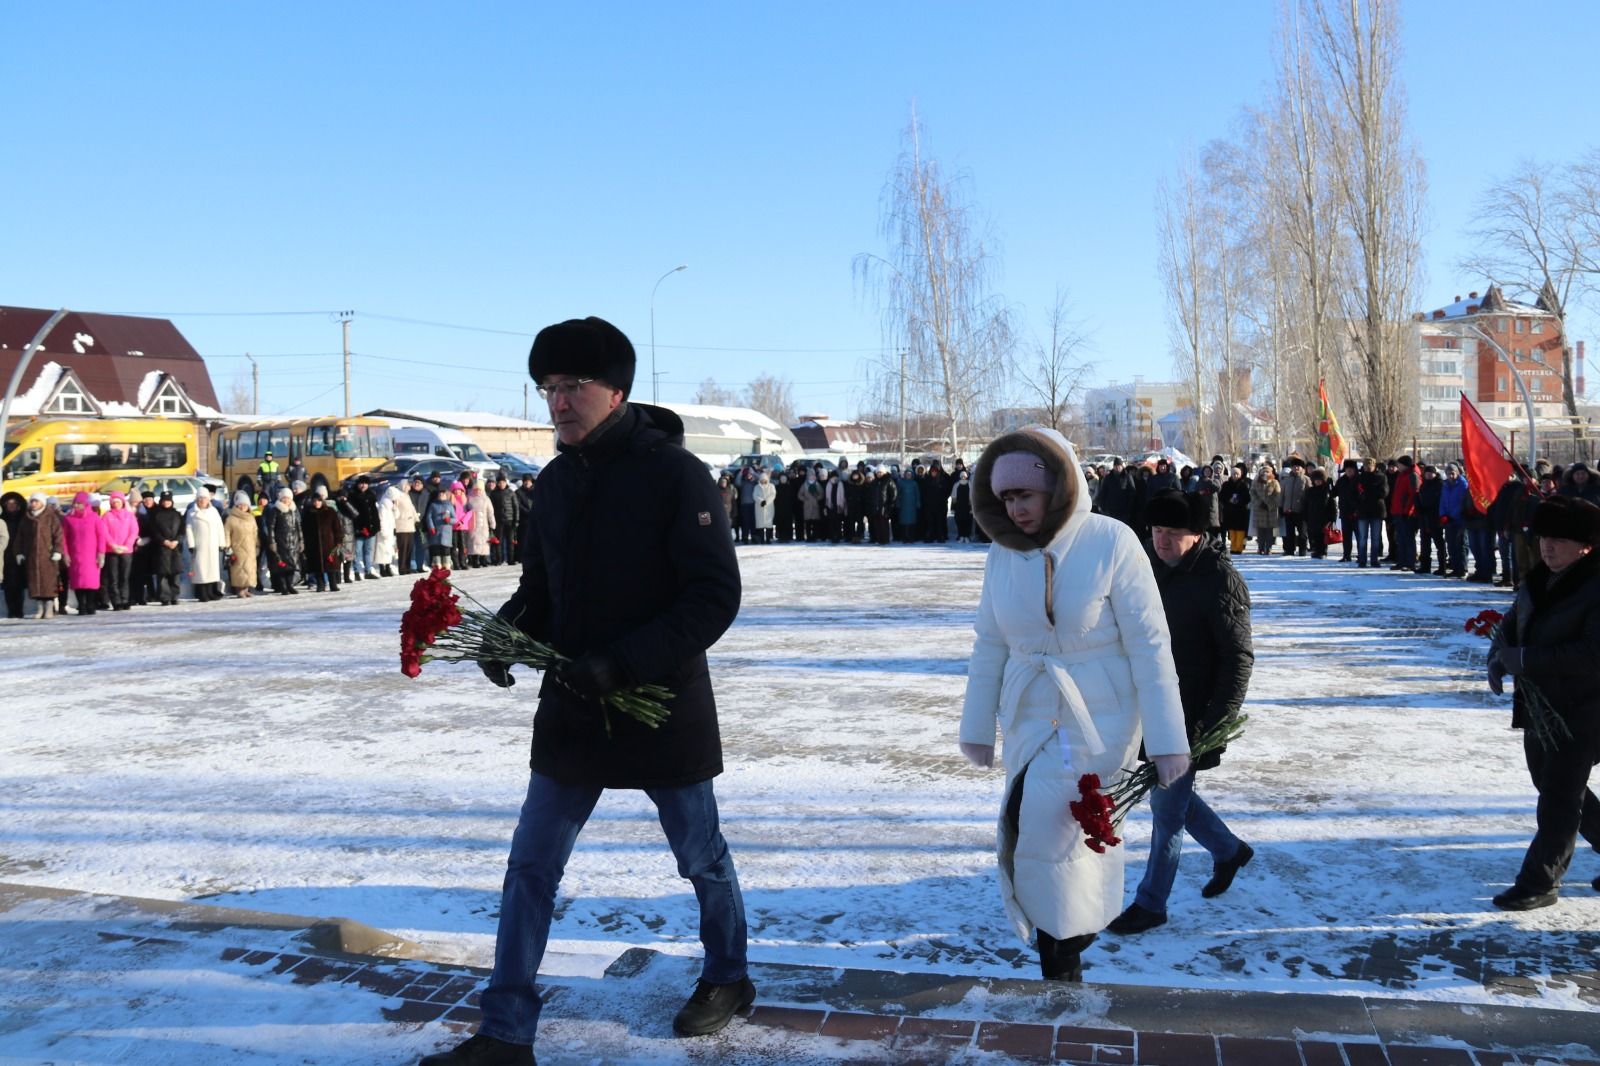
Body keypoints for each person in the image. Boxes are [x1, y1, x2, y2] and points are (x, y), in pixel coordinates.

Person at [424, 317, 749, 1066]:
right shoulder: (556, 481)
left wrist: (625, 664)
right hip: (572, 704)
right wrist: (507, 632)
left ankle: (728, 976)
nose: (558, 402)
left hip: (660, 703)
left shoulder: (676, 474)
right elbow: (542, 586)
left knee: (701, 857)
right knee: (531, 865)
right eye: (548, 388)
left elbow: (712, 596)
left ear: (617, 391)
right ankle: (506, 1031)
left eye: (573, 386)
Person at [958, 429, 1189, 983]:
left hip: (1098, 717)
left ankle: (1060, 955)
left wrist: (1167, 739)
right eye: (1006, 499)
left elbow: (1150, 643)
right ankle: (1068, 935)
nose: (1016, 510)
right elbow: (990, 642)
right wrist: (977, 725)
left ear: (1057, 488)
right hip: (1028, 715)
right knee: (1044, 830)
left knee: (1054, 828)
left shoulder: (1112, 541)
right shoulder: (1002, 555)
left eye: (1026, 496)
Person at [1107, 491, 1254, 934]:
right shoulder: (1152, 571)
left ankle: (1152, 903)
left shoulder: (1220, 579)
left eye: (1172, 534)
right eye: (1155, 533)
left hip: (1190, 717)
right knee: (1171, 794)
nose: (1162, 542)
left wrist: (1216, 725)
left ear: (1197, 535)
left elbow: (1238, 658)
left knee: (1166, 810)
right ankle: (1228, 850)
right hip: (1153, 704)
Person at [1487, 496, 1600, 910]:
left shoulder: (1595, 585)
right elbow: (1514, 620)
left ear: (1585, 546)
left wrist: (1526, 660)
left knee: (1558, 797)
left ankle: (1539, 881)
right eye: (1545, 538)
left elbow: (1592, 655)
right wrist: (1497, 658)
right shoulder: (1538, 577)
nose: (1548, 547)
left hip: (1586, 707)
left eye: (1560, 540)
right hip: (1541, 706)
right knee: (1549, 782)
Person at [61, 491, 108, 616]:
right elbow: (64, 538)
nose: (76, 506)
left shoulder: (94, 518)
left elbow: (101, 537)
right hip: (75, 555)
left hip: (92, 556)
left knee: (91, 582)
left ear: (85, 504)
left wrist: (101, 553)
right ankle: (81, 605)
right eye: (75, 503)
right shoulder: (68, 519)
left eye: (79, 503)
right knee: (78, 583)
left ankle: (90, 604)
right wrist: (65, 554)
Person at [20, 493, 66, 619]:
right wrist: (19, 552)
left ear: (42, 503)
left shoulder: (51, 517)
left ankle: (49, 607)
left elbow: (58, 535)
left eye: (36, 501)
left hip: (48, 556)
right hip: (32, 556)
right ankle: (39, 608)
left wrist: (57, 550)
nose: (33, 504)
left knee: (48, 582)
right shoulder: (27, 518)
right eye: (32, 501)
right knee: (35, 583)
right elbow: (20, 536)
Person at [99, 491, 139, 610]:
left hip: (126, 551)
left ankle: (125, 599)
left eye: (118, 501)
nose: (116, 504)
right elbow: (104, 533)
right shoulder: (107, 516)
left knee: (125, 577)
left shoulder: (129, 516)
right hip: (112, 551)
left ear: (123, 502)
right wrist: (113, 545)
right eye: (114, 502)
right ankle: (116, 601)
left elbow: (134, 531)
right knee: (113, 577)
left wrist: (127, 545)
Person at [186, 487, 226, 602]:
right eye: (200, 498)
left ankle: (211, 591)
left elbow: (219, 527)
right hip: (200, 545)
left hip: (212, 544)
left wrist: (221, 542)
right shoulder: (192, 513)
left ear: (209, 499)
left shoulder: (214, 511)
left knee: (212, 570)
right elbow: (188, 529)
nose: (202, 500)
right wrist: (191, 544)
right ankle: (202, 593)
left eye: (205, 498)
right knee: (201, 570)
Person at [263, 487, 303, 595]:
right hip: (280, 542)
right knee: (281, 566)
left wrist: (301, 541)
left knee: (292, 566)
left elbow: (299, 526)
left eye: (288, 498)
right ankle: (283, 586)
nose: (286, 500)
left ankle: (290, 585)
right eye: (284, 498)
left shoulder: (294, 510)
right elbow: (271, 527)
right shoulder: (275, 510)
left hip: (293, 542)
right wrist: (272, 542)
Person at [302, 489, 344, 592]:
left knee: (331, 565)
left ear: (322, 501)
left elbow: (337, 527)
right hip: (313, 544)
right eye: (315, 501)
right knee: (317, 566)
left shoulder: (330, 511)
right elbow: (304, 529)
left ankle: (333, 584)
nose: (316, 503)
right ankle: (320, 584)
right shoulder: (308, 513)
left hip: (329, 543)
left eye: (318, 500)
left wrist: (338, 541)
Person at [224, 491, 260, 598]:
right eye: (240, 505)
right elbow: (226, 533)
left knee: (249, 569)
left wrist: (257, 545)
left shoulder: (251, 518)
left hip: (250, 547)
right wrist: (227, 546)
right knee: (239, 569)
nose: (242, 507)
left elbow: (255, 532)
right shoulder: (231, 518)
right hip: (237, 548)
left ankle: (246, 589)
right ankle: (239, 589)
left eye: (245, 505)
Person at [1354, 457, 1388, 568]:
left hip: (1376, 511)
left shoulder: (1381, 477)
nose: (1368, 467)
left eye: (1370, 465)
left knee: (1375, 537)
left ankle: (1374, 559)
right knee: (1363, 537)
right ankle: (1362, 559)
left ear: (1374, 466)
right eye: (1366, 465)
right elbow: (1354, 493)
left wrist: (1368, 492)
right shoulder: (1359, 478)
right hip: (1363, 511)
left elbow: (1384, 492)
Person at [1, 491, 26, 618]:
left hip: (20, 556)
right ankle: (11, 611)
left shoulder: (23, 518)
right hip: (5, 557)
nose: (11, 506)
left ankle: (19, 610)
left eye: (14, 503)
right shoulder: (2, 519)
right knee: (8, 586)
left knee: (19, 585)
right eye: (8, 503)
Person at [1219, 465, 1251, 555]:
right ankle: (1233, 547)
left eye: (1237, 474)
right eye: (1233, 474)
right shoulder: (1226, 484)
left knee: (1240, 531)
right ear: (1231, 474)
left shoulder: (1244, 485)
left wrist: (1239, 500)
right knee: (1231, 531)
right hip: (1229, 511)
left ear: (1240, 475)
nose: (1235, 476)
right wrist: (1229, 500)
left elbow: (1248, 498)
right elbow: (1221, 496)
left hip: (1241, 511)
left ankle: (1239, 548)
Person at [1279, 458, 1308, 557]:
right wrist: (1281, 507)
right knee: (1289, 532)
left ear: (1301, 468)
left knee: (1302, 533)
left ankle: (1302, 550)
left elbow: (1309, 495)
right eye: (1294, 466)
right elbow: (1282, 494)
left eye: (1298, 466)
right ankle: (1289, 550)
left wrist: (1307, 509)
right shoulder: (1286, 480)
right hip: (1288, 510)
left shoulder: (1306, 479)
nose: (1296, 468)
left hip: (1301, 510)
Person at [1249, 466, 1281, 556]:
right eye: (1263, 472)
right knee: (1261, 531)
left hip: (1271, 511)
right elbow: (1252, 493)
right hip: (1259, 509)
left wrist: (1270, 505)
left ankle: (1269, 548)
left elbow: (1278, 495)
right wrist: (1259, 503)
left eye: (1267, 472)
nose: (1265, 474)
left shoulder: (1275, 483)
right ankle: (1260, 548)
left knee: (1269, 531)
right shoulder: (1256, 483)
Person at [423, 487, 455, 570]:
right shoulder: (433, 505)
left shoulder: (449, 505)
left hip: (446, 532)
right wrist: (431, 527)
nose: (441, 495)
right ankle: (437, 564)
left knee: (446, 549)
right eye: (440, 494)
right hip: (436, 531)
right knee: (436, 548)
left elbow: (455, 519)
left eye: (443, 494)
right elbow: (428, 517)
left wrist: (449, 520)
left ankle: (446, 564)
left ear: (446, 495)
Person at [466, 481, 496, 567]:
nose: (477, 491)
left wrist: (492, 523)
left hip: (484, 524)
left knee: (484, 542)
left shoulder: (486, 499)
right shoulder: (470, 498)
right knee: (474, 541)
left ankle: (484, 559)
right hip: (473, 524)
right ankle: (475, 560)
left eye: (479, 490)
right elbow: (466, 511)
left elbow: (490, 513)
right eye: (476, 489)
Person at [753, 471, 776, 544]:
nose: (763, 481)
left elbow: (773, 495)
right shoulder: (756, 487)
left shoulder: (771, 486)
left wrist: (766, 502)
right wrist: (761, 501)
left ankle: (768, 539)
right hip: (759, 507)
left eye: (764, 479)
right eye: (762, 479)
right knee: (760, 525)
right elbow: (755, 495)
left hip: (769, 507)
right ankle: (762, 539)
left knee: (768, 523)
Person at [951, 469, 973, 542]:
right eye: (962, 476)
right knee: (959, 522)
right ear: (960, 477)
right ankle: (961, 535)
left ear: (966, 477)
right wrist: (953, 508)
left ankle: (966, 536)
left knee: (968, 522)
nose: (963, 477)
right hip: (959, 507)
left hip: (968, 506)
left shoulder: (970, 485)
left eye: (964, 476)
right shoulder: (956, 485)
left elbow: (973, 497)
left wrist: (972, 508)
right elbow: (953, 497)